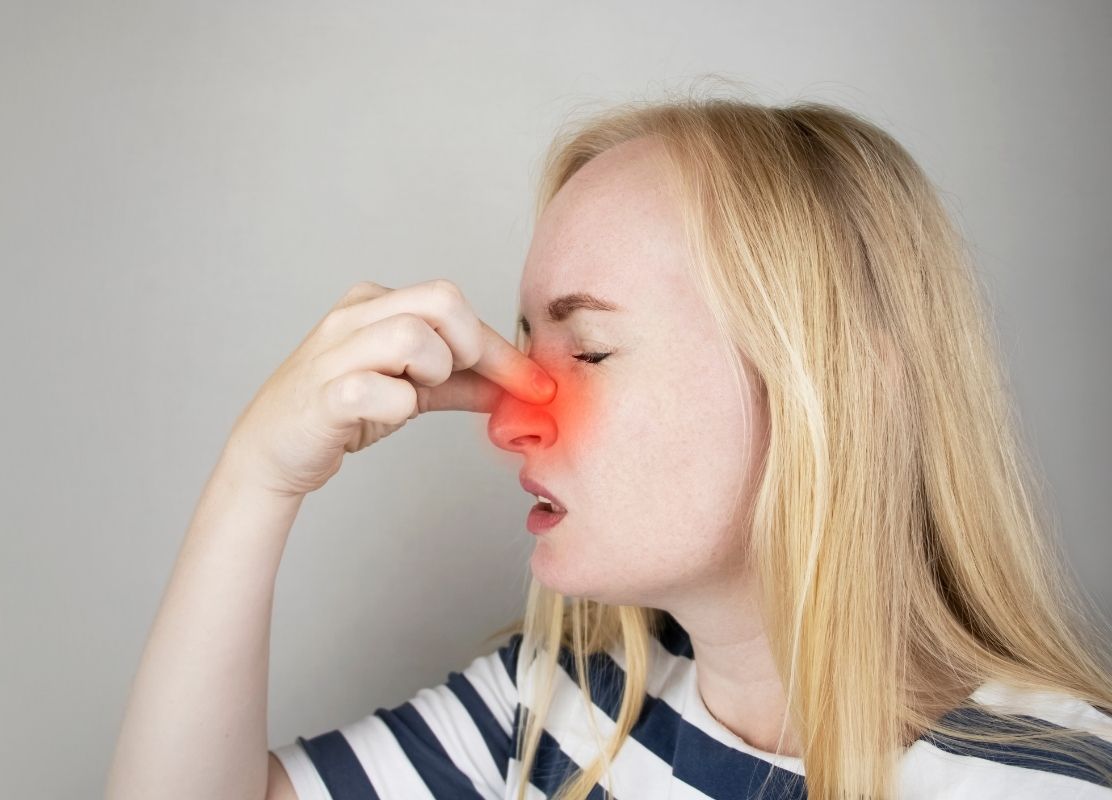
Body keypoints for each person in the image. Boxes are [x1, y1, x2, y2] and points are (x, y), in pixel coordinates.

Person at [106, 94, 1112, 800]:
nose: (509, 418)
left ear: (839, 378)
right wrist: (258, 477)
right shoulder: (553, 704)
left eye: (587, 348)